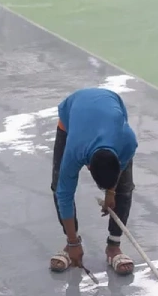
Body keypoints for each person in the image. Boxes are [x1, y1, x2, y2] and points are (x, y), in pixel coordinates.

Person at [49, 87, 137, 275]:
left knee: (125, 188)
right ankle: (70, 243)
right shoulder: (75, 150)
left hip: (112, 105)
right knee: (59, 185)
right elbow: (64, 194)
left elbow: (119, 169)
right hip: (72, 115)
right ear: (87, 166)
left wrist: (111, 192)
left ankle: (113, 246)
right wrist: (74, 242)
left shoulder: (127, 141)